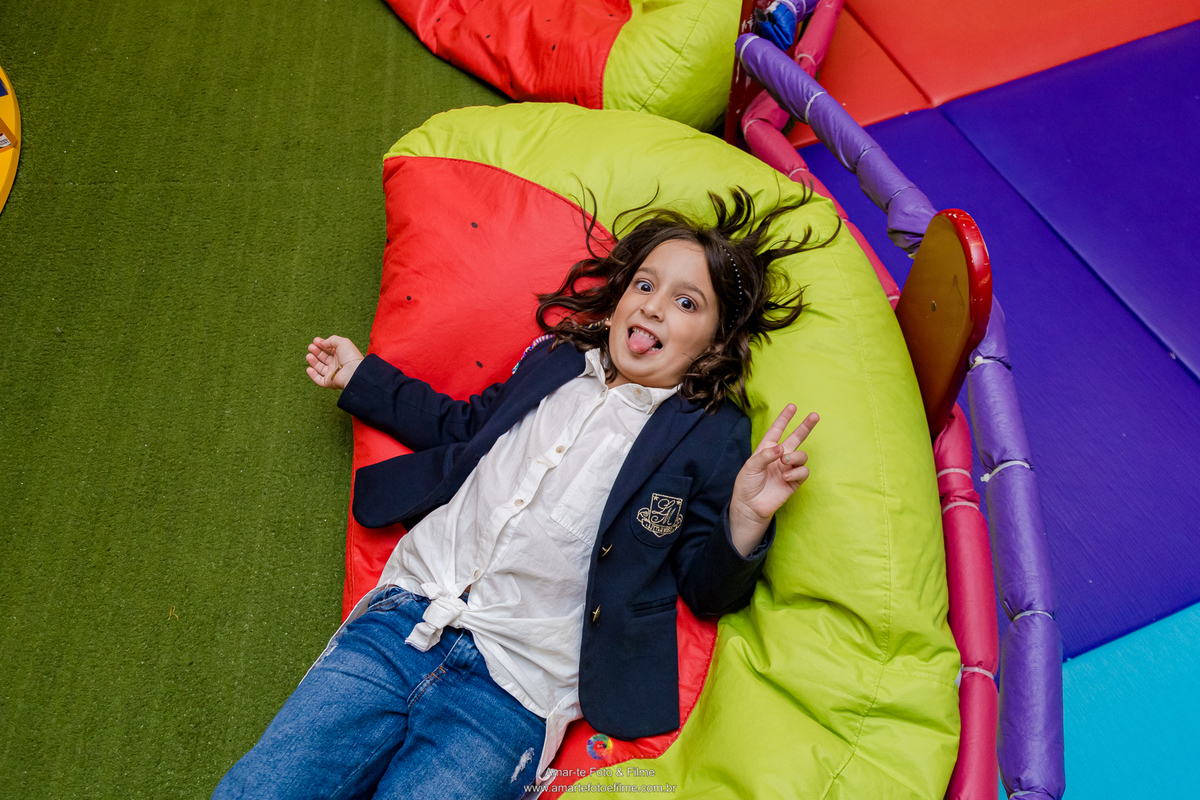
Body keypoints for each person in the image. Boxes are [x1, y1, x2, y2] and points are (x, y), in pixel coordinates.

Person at [213, 188, 826, 800]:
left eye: (686, 302)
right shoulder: (557, 358)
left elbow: (706, 589)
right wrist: (362, 377)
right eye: (645, 285)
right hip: (405, 617)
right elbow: (464, 427)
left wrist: (745, 517)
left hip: (514, 692)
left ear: (715, 342)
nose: (654, 306)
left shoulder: (711, 434)